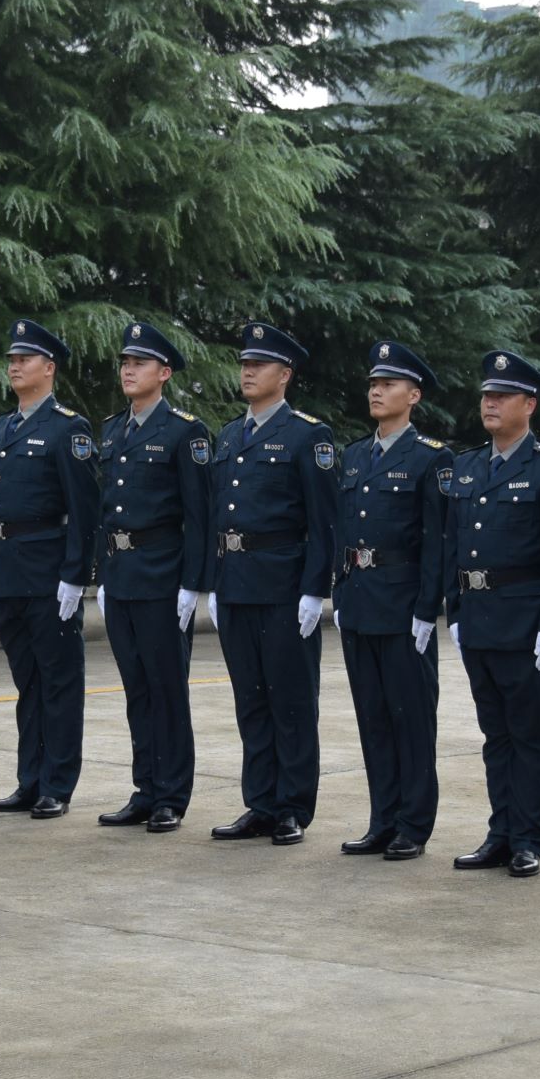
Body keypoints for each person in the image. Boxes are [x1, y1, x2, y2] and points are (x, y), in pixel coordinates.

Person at [445, 351, 540, 876]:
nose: (490, 403)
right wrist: (454, 610)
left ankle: (529, 837)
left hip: (526, 623)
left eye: (502, 396)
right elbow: (453, 543)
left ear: (529, 404)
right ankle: (500, 832)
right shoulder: (468, 465)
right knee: (494, 733)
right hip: (478, 618)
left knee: (528, 732)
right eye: (486, 395)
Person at [208, 321, 338, 848]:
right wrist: (213, 583)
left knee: (290, 699)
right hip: (236, 583)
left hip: (284, 586)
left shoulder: (308, 436)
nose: (248, 372)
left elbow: (324, 521)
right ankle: (259, 801)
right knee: (250, 700)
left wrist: (315, 589)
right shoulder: (230, 434)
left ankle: (292, 806)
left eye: (258, 365)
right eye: (244, 364)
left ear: (284, 375)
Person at [329, 343, 452, 862]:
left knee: (410, 719)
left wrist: (427, 609)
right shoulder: (355, 455)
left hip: (402, 606)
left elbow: (437, 540)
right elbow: (342, 529)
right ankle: (382, 818)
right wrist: (338, 589)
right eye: (373, 384)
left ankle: (413, 824)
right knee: (373, 717)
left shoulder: (430, 457)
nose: (377, 391)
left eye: (390, 384)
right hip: (359, 601)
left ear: (414, 394)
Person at [90, 321, 214, 834]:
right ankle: (145, 788)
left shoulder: (185, 432)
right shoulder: (113, 429)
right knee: (136, 688)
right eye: (124, 362)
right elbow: (103, 511)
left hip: (163, 576)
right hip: (121, 576)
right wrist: (100, 574)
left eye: (139, 363)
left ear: (163, 373)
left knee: (167, 688)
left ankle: (171, 795)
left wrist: (194, 584)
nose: (128, 370)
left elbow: (201, 515)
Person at [0, 319, 99, 821]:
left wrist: (75, 577)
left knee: (59, 681)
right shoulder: (1, 427)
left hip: (48, 572)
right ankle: (29, 779)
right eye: (11, 359)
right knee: (27, 682)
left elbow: (85, 509)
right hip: (8, 570)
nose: (14, 366)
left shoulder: (68, 428)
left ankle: (58, 783)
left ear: (48, 369)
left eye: (24, 359)